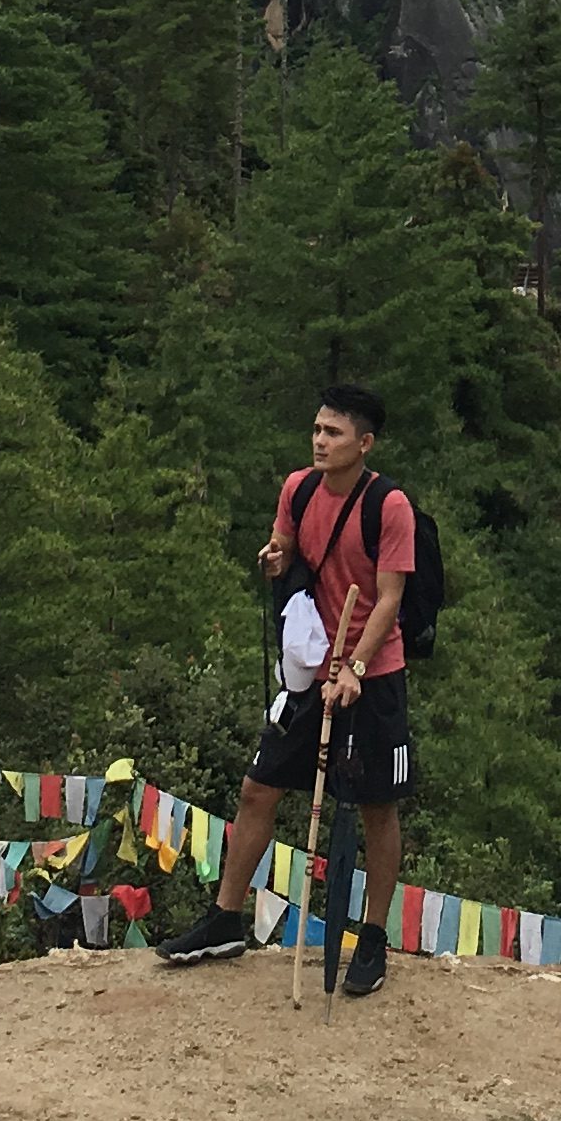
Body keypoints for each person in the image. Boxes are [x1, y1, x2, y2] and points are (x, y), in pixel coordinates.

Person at [158, 386, 413, 995]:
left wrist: (354, 666)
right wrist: (276, 560)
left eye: (335, 433)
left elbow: (390, 598)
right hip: (310, 671)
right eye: (318, 429)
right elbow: (293, 555)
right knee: (258, 788)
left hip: (373, 676)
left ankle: (372, 938)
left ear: (365, 443)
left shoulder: (390, 505)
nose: (321, 441)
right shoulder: (298, 489)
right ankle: (225, 918)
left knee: (377, 808)